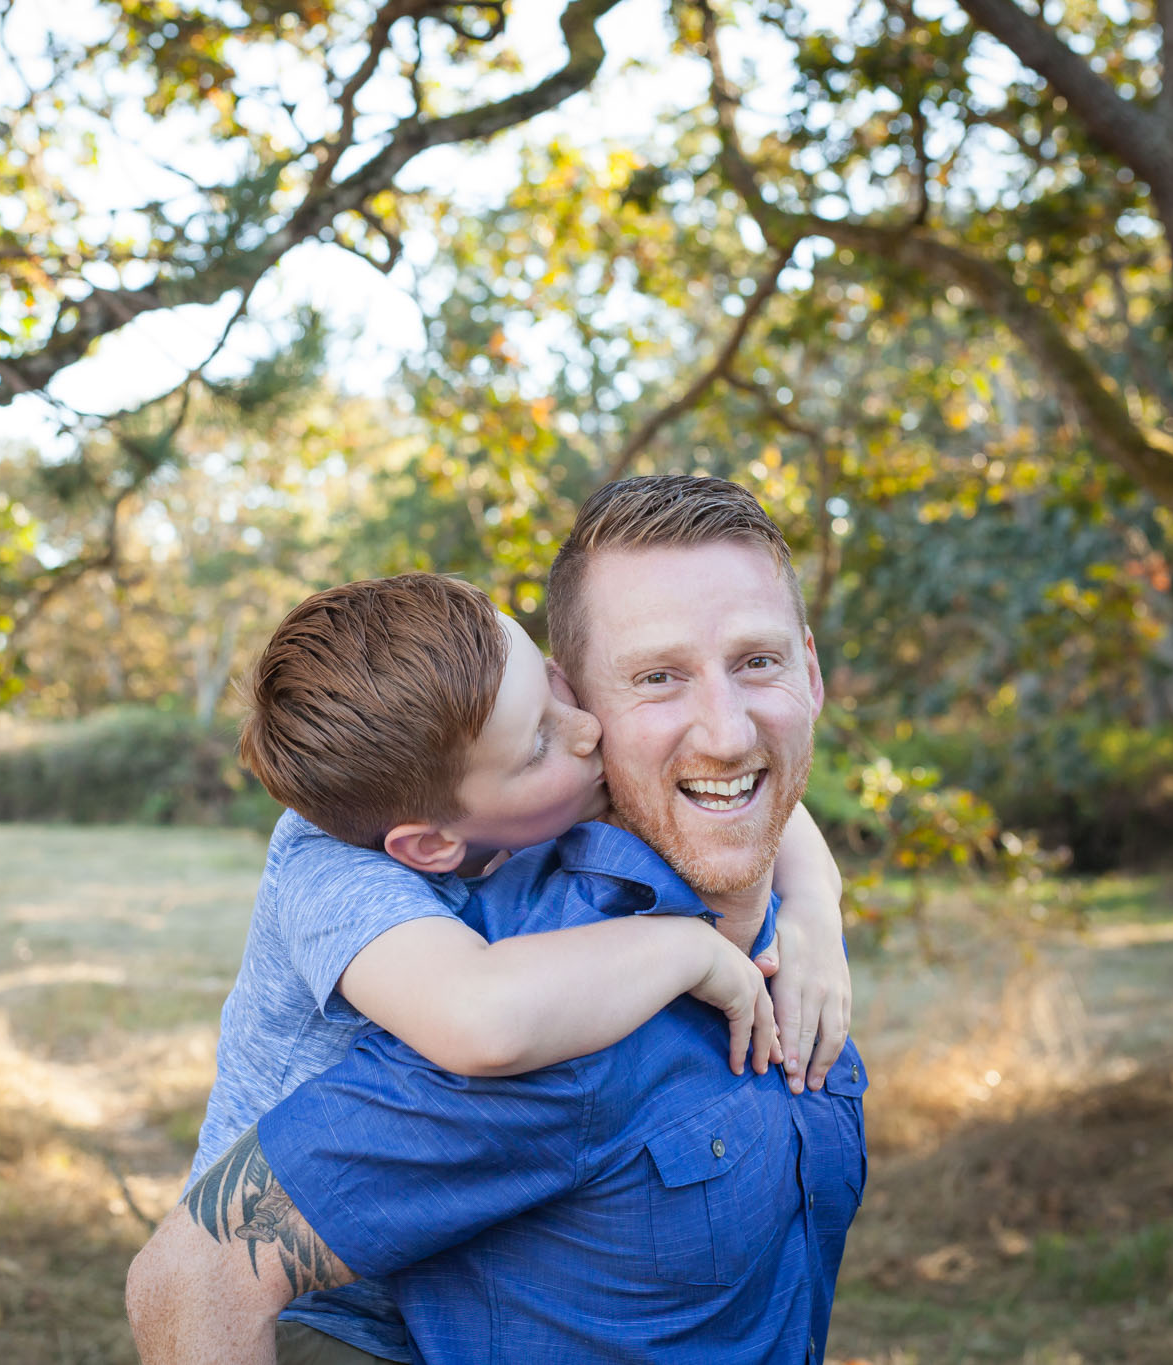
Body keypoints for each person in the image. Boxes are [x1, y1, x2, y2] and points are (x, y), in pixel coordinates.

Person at [129, 474, 868, 1364]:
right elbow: (483, 1018)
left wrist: (817, 910)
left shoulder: (529, 796)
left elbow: (756, 779)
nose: (586, 733)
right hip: (331, 1320)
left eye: (757, 662)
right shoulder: (347, 878)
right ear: (429, 843)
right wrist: (687, 952)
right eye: (656, 679)